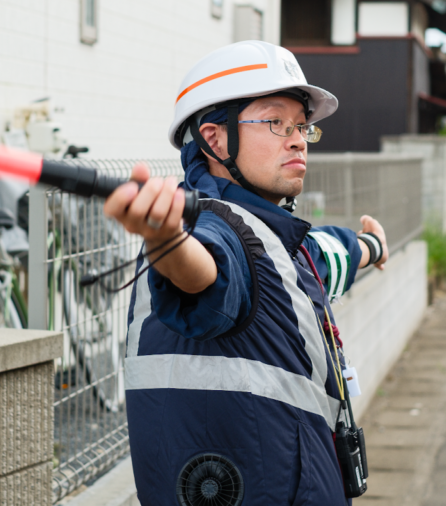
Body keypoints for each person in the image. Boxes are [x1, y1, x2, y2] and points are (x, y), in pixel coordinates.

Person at [103, 41, 389, 505]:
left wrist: (370, 246)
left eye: (301, 126)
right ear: (214, 138)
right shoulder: (215, 229)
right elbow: (204, 275)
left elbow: (328, 254)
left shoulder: (281, 241)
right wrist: (165, 239)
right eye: (276, 122)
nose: (298, 139)